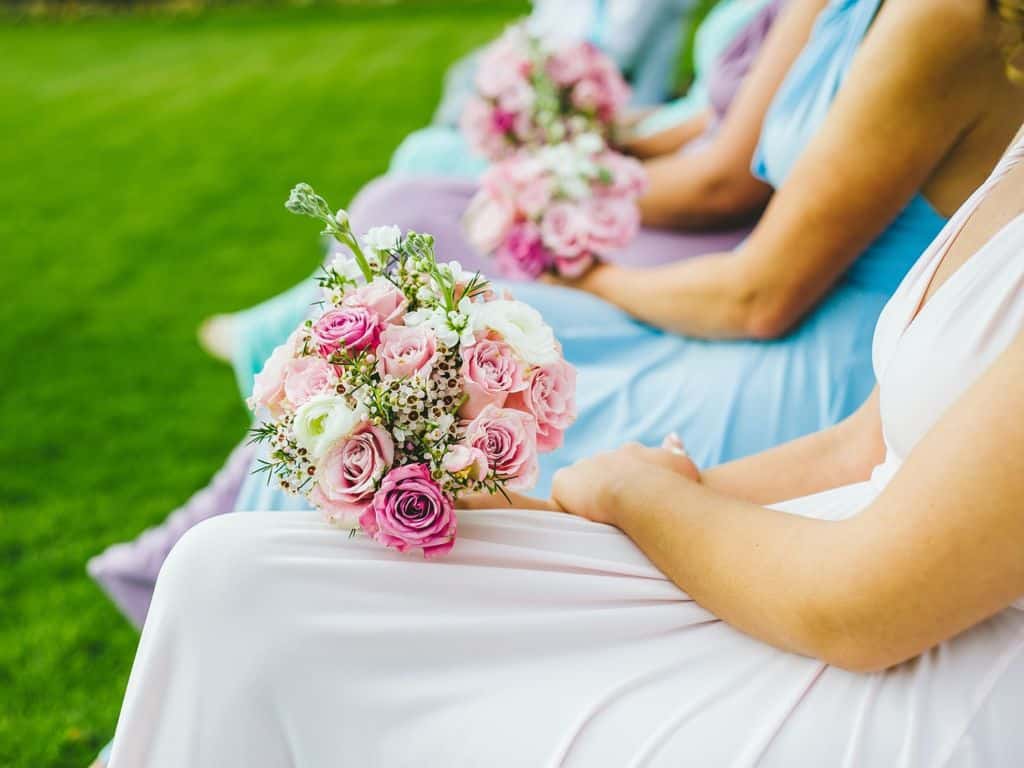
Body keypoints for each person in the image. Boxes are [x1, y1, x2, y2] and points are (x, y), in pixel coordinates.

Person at [107, 118, 1024, 765]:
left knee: (287, 609)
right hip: (844, 555)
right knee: (232, 575)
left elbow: (868, 610)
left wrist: (640, 495)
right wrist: (568, 513)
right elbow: (861, 448)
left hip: (929, 678)